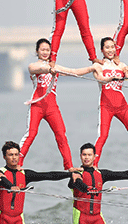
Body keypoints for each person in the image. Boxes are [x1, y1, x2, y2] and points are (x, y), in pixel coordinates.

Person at [19, 38, 93, 171]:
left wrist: (92, 68)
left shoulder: (55, 67)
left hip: (52, 107)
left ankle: (69, 166)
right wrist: (49, 69)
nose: (45, 52)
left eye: (48, 50)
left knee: (61, 134)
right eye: (42, 50)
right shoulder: (34, 66)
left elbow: (74, 72)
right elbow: (37, 68)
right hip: (37, 105)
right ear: (37, 51)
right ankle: (17, 163)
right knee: (31, 134)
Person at [91, 37, 128, 166]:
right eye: (107, 47)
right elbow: (100, 78)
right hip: (106, 106)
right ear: (102, 50)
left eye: (112, 47)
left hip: (122, 105)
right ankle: (93, 164)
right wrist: (112, 77)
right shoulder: (98, 65)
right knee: (103, 136)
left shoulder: (121, 65)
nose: (110, 50)